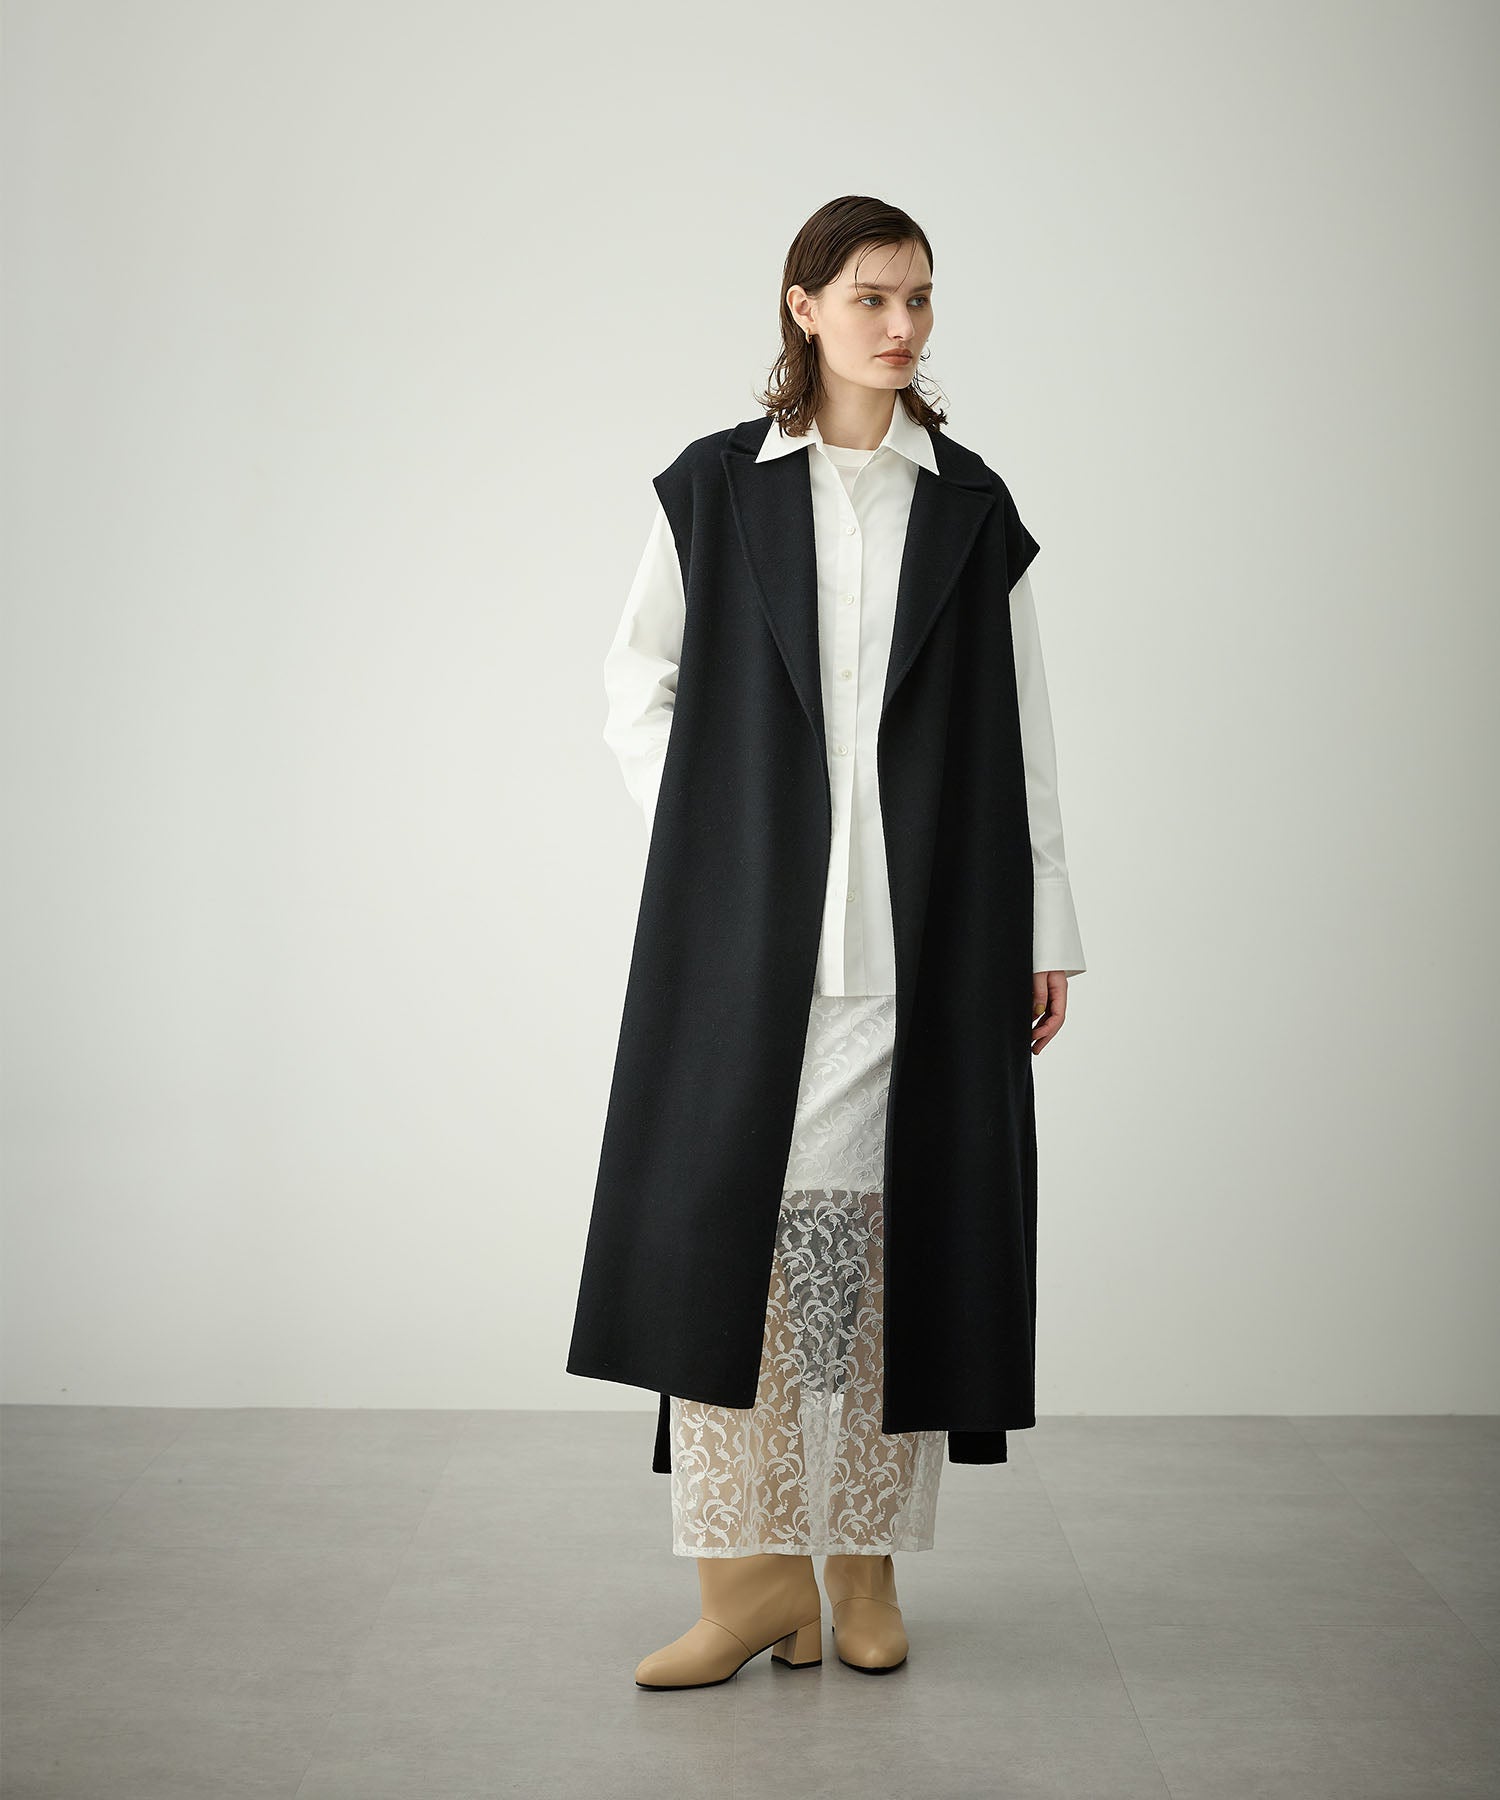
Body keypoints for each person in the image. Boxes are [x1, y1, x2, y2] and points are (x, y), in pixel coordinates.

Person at [569, 195, 1086, 1690]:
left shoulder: (968, 506)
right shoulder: (716, 489)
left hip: (924, 943)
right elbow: (636, 686)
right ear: (803, 306)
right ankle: (748, 1584)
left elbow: (1027, 738)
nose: (901, 325)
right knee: (722, 1250)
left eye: (919, 297)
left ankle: (859, 1574)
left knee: (875, 1258)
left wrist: (1045, 925)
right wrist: (717, 837)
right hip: (743, 951)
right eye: (871, 296)